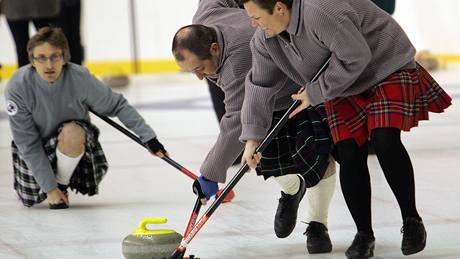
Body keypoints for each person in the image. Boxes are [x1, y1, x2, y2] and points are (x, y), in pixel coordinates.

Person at [239, 0, 452, 258]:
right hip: (341, 83)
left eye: (256, 17)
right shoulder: (265, 39)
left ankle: (412, 221)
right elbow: (259, 86)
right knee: (348, 151)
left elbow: (356, 56)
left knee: (384, 138)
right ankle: (364, 235)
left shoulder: (320, 12)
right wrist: (252, 139)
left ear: (280, 8)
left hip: (384, 68)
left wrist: (315, 92)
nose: (253, 24)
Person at [172, 0, 337, 254]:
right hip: (263, 102)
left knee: (318, 157)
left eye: (199, 68)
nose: (199, 77)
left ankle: (317, 224)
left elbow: (235, 121)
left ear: (214, 49)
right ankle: (294, 189)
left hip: (300, 92)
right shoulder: (206, 15)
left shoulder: (236, 62)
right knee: (263, 160)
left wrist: (210, 172)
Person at [4, 27, 168, 209]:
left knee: (72, 131)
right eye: (41, 58)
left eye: (55, 56)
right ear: (32, 60)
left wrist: (149, 138)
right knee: (31, 196)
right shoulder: (18, 86)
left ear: (64, 57)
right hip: (37, 149)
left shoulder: (80, 77)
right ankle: (52, 186)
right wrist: (49, 189)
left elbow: (117, 105)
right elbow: (27, 142)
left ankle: (62, 184)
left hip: (76, 149)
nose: (49, 64)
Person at [1, 0, 60, 67]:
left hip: (15, 6)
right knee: (50, 46)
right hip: (45, 5)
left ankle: (25, 76)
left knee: (22, 49)